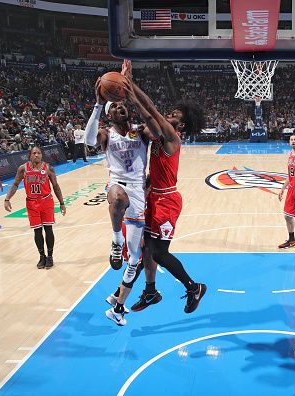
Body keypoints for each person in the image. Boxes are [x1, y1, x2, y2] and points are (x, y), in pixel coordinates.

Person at [124, 78, 208, 322]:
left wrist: (131, 88)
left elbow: (150, 110)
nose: (168, 115)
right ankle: (150, 292)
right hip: (154, 197)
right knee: (146, 249)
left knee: (159, 253)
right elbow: (148, 122)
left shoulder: (172, 136)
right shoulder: (159, 136)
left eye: (173, 114)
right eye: (169, 112)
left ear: (180, 123)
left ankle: (194, 287)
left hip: (167, 201)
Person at [84, 61, 152, 326]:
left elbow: (156, 129)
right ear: (110, 114)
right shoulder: (106, 133)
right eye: (115, 107)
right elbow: (89, 141)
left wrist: (131, 90)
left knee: (134, 259)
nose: (120, 108)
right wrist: (99, 104)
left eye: (122, 105)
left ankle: (117, 305)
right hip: (118, 185)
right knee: (116, 195)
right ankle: (115, 240)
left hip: (138, 191)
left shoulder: (141, 132)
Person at [3, 146, 66, 269]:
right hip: (31, 203)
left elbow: (56, 186)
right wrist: (7, 199)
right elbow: (15, 184)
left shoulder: (48, 168)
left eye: (39, 153)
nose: (36, 155)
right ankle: (42, 256)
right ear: (30, 155)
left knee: (48, 229)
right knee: (37, 230)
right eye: (34, 153)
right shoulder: (23, 169)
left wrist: (62, 203)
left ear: (42, 155)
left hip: (46, 201)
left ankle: (50, 256)